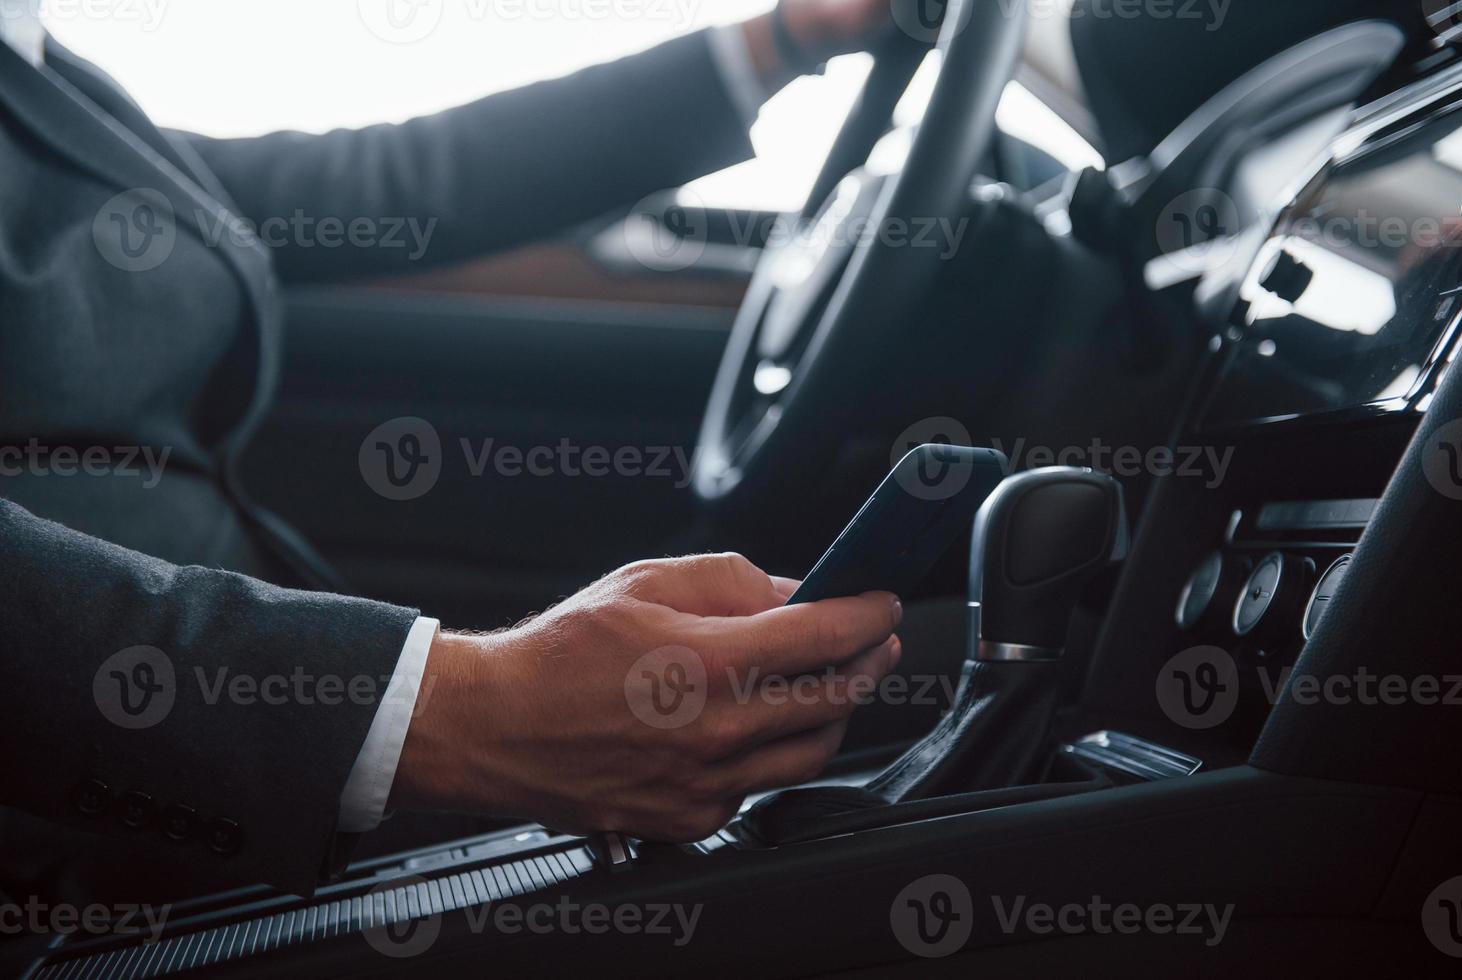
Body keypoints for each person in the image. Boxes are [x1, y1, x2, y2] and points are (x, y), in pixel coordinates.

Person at [0, 0, 908, 903]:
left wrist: (781, 39)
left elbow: (365, 185)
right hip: (86, 816)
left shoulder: (33, 58)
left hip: (222, 724)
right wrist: (457, 716)